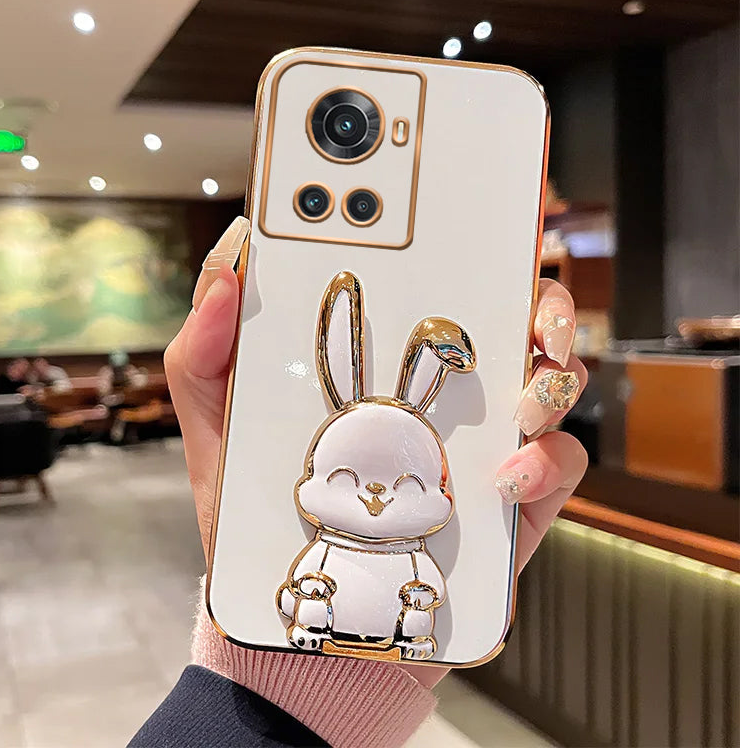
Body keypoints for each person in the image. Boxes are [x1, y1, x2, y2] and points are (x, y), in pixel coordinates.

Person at [130, 219, 588, 747]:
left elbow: (425, 582)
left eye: (409, 485)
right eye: (346, 477)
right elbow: (309, 576)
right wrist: (280, 678)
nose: (375, 495)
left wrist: (313, 697)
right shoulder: (330, 544)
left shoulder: (410, 550)